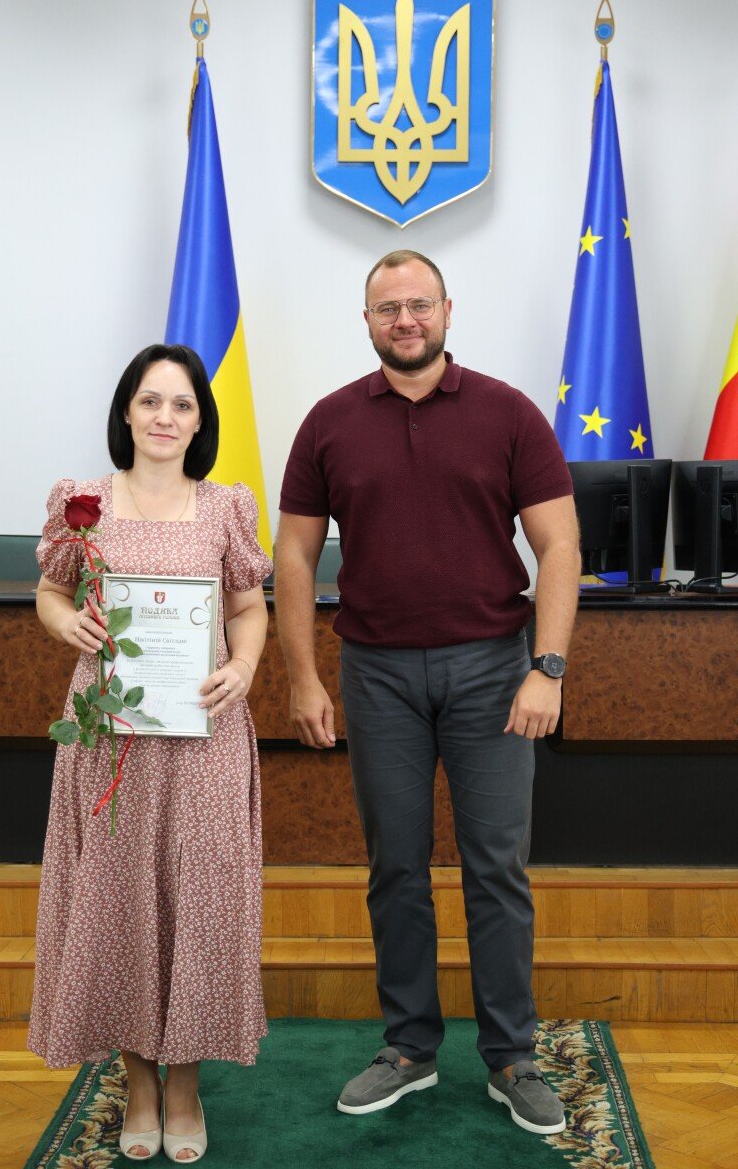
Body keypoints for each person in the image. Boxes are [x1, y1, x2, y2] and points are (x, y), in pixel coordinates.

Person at [274, 251, 580, 1137]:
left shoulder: (508, 413)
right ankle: (409, 1048)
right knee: (396, 868)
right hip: (377, 675)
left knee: (496, 869)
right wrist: (303, 676)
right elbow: (292, 554)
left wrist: (547, 667)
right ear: (366, 321)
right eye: (387, 309)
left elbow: (560, 546)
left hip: (493, 671)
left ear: (448, 310)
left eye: (419, 305)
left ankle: (512, 1058)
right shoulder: (329, 422)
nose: (404, 320)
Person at [28, 343, 272, 1162]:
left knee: (198, 906)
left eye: (182, 404)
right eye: (150, 401)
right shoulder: (83, 503)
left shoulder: (226, 507)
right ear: (127, 412)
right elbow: (51, 592)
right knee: (118, 903)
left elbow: (248, 608)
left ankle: (184, 1087)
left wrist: (244, 665)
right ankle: (137, 1083)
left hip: (205, 741)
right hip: (110, 743)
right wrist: (67, 621)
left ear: (201, 422)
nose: (165, 417)